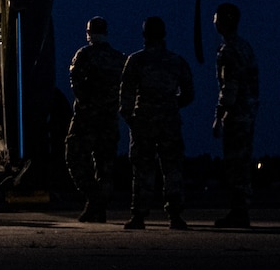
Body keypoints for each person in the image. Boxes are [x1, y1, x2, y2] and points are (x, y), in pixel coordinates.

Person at [119, 15, 195, 231]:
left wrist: (130, 117)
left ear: (144, 35)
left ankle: (139, 216)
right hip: (169, 122)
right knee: (172, 169)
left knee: (142, 169)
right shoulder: (176, 61)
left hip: (143, 121)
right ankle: (175, 215)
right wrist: (170, 104)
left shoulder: (136, 61)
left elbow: (126, 94)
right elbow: (189, 94)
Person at [65, 15, 125, 223]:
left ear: (89, 33)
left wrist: (87, 104)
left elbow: (76, 85)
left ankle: (94, 199)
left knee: (74, 156)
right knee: (105, 164)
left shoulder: (84, 55)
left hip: (87, 118)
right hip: (109, 119)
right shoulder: (119, 59)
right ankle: (99, 206)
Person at [212, 2, 260, 229]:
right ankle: (240, 209)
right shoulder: (244, 47)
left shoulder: (229, 50)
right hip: (247, 113)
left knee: (235, 163)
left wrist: (219, 115)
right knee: (242, 162)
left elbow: (229, 88)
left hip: (237, 114)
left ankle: (239, 211)